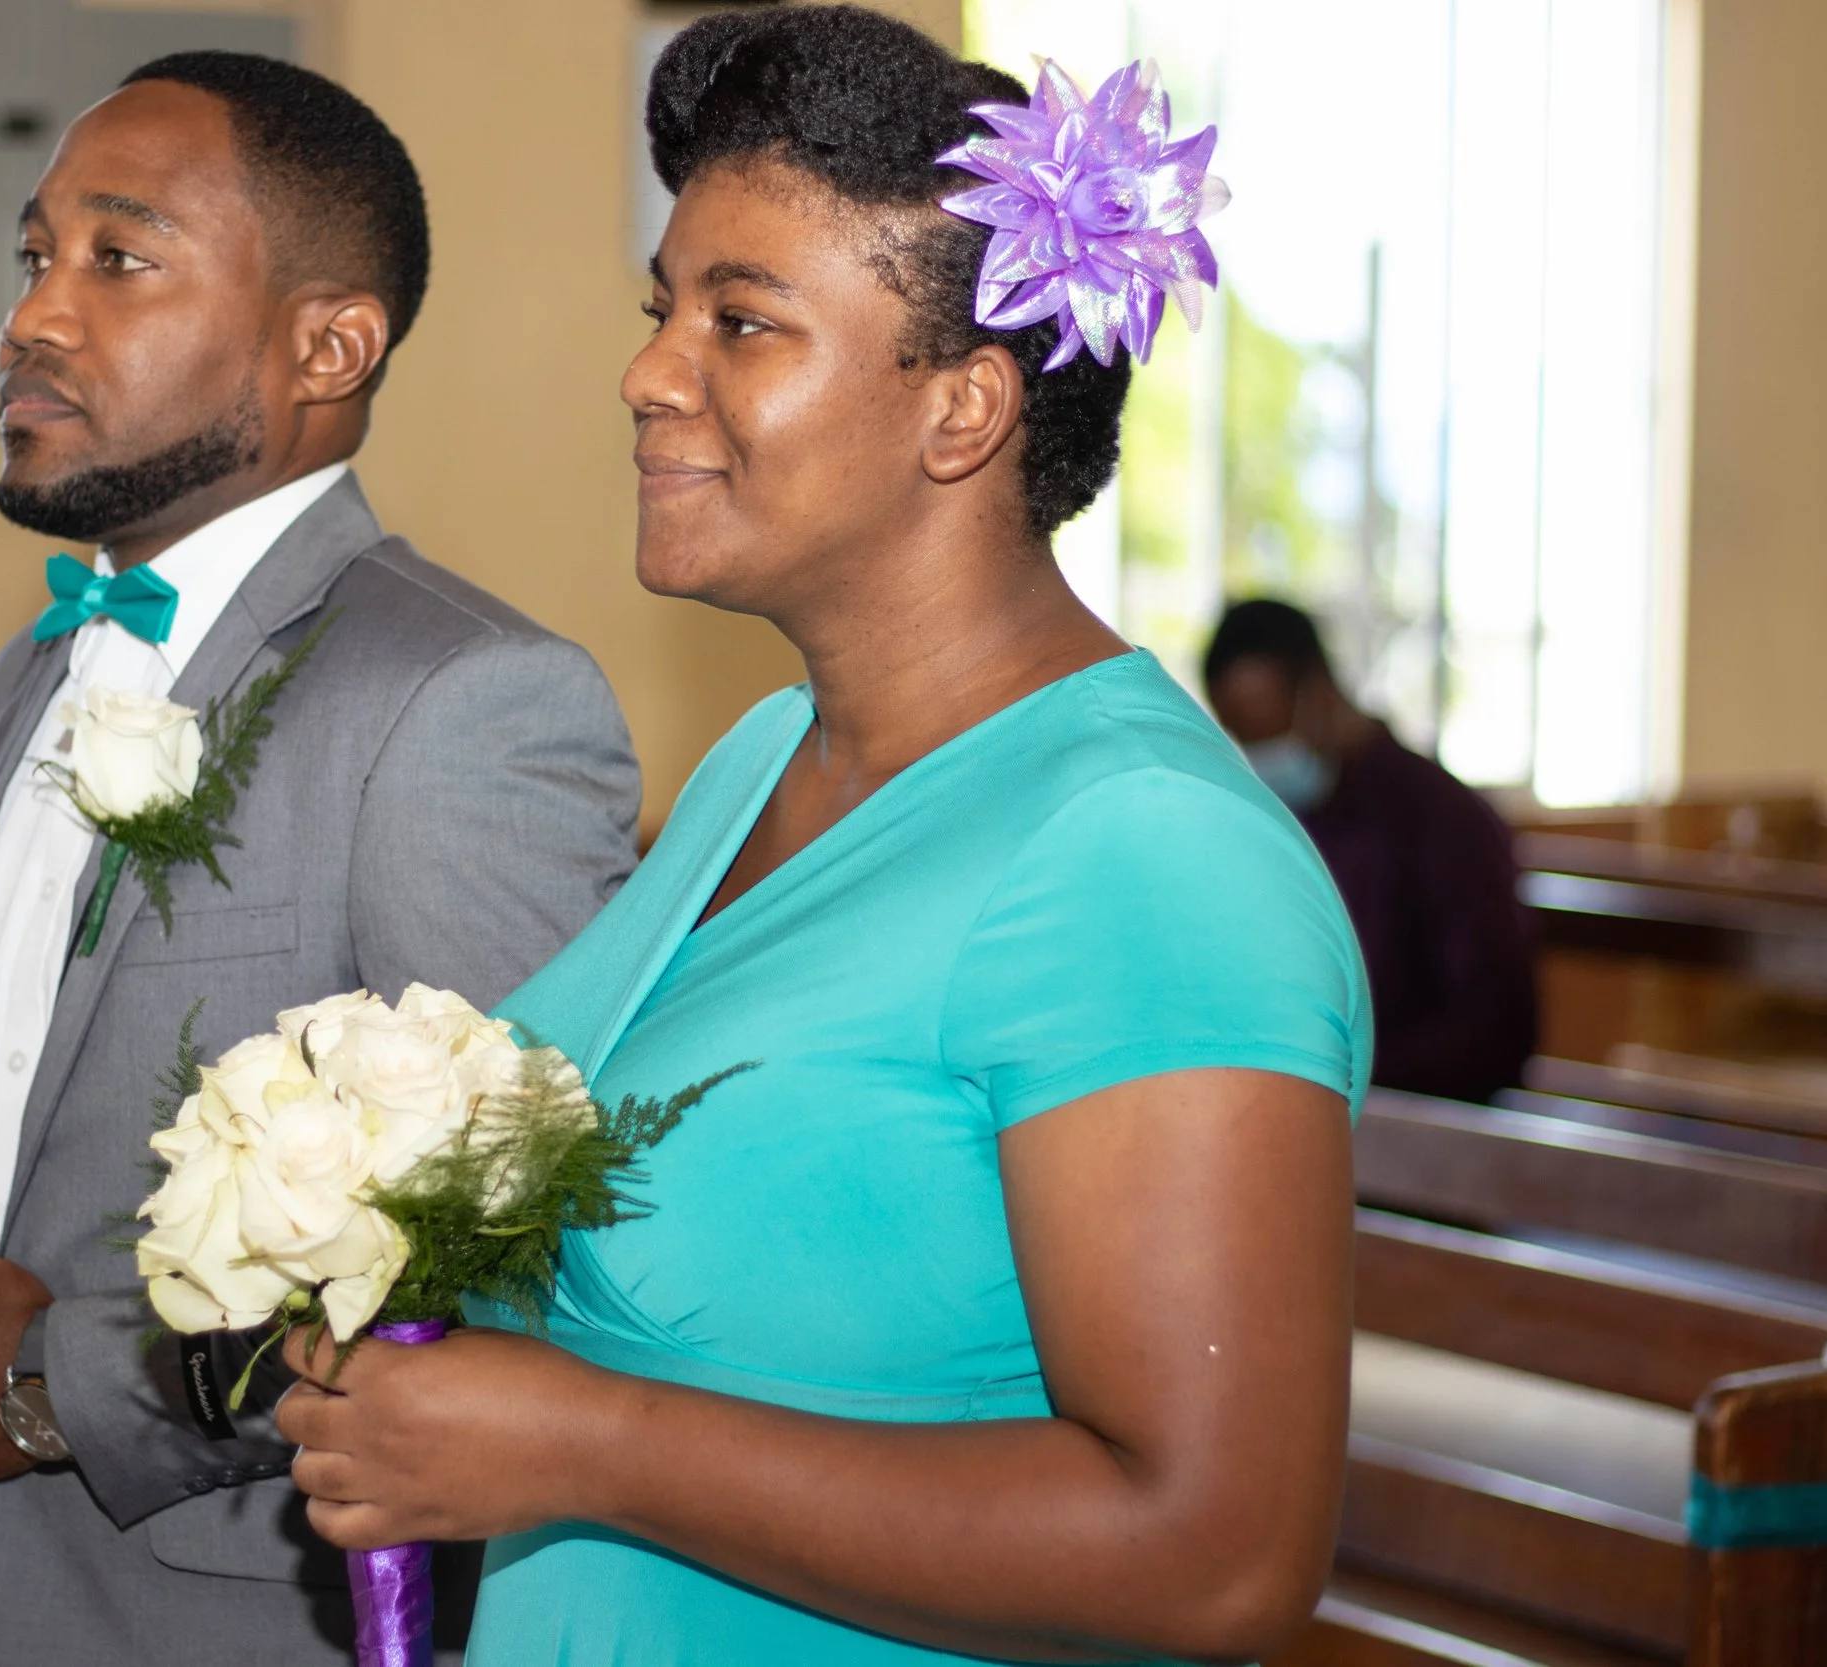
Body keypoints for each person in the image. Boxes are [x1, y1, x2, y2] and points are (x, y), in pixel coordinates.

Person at [275, 10, 1367, 1664]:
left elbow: (1217, 1553)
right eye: (663, 311)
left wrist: (582, 1442)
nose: (650, 371)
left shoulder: (1142, 851)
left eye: (742, 321)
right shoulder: (764, 754)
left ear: (965, 410)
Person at [0, 51, 639, 1667]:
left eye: (118, 259)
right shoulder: (19, 687)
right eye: (33, 256)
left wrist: (58, 1381)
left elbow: (529, 1281)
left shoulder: (462, 705)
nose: (34, 319)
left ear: (330, 343)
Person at [1205, 598, 1536, 1103]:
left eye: (1271, 732)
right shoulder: (1279, 821)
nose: (1264, 756)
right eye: (1244, 739)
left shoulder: (1442, 817)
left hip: (1424, 1123)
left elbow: (1493, 1031)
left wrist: (1340, 1071)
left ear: (1316, 693)